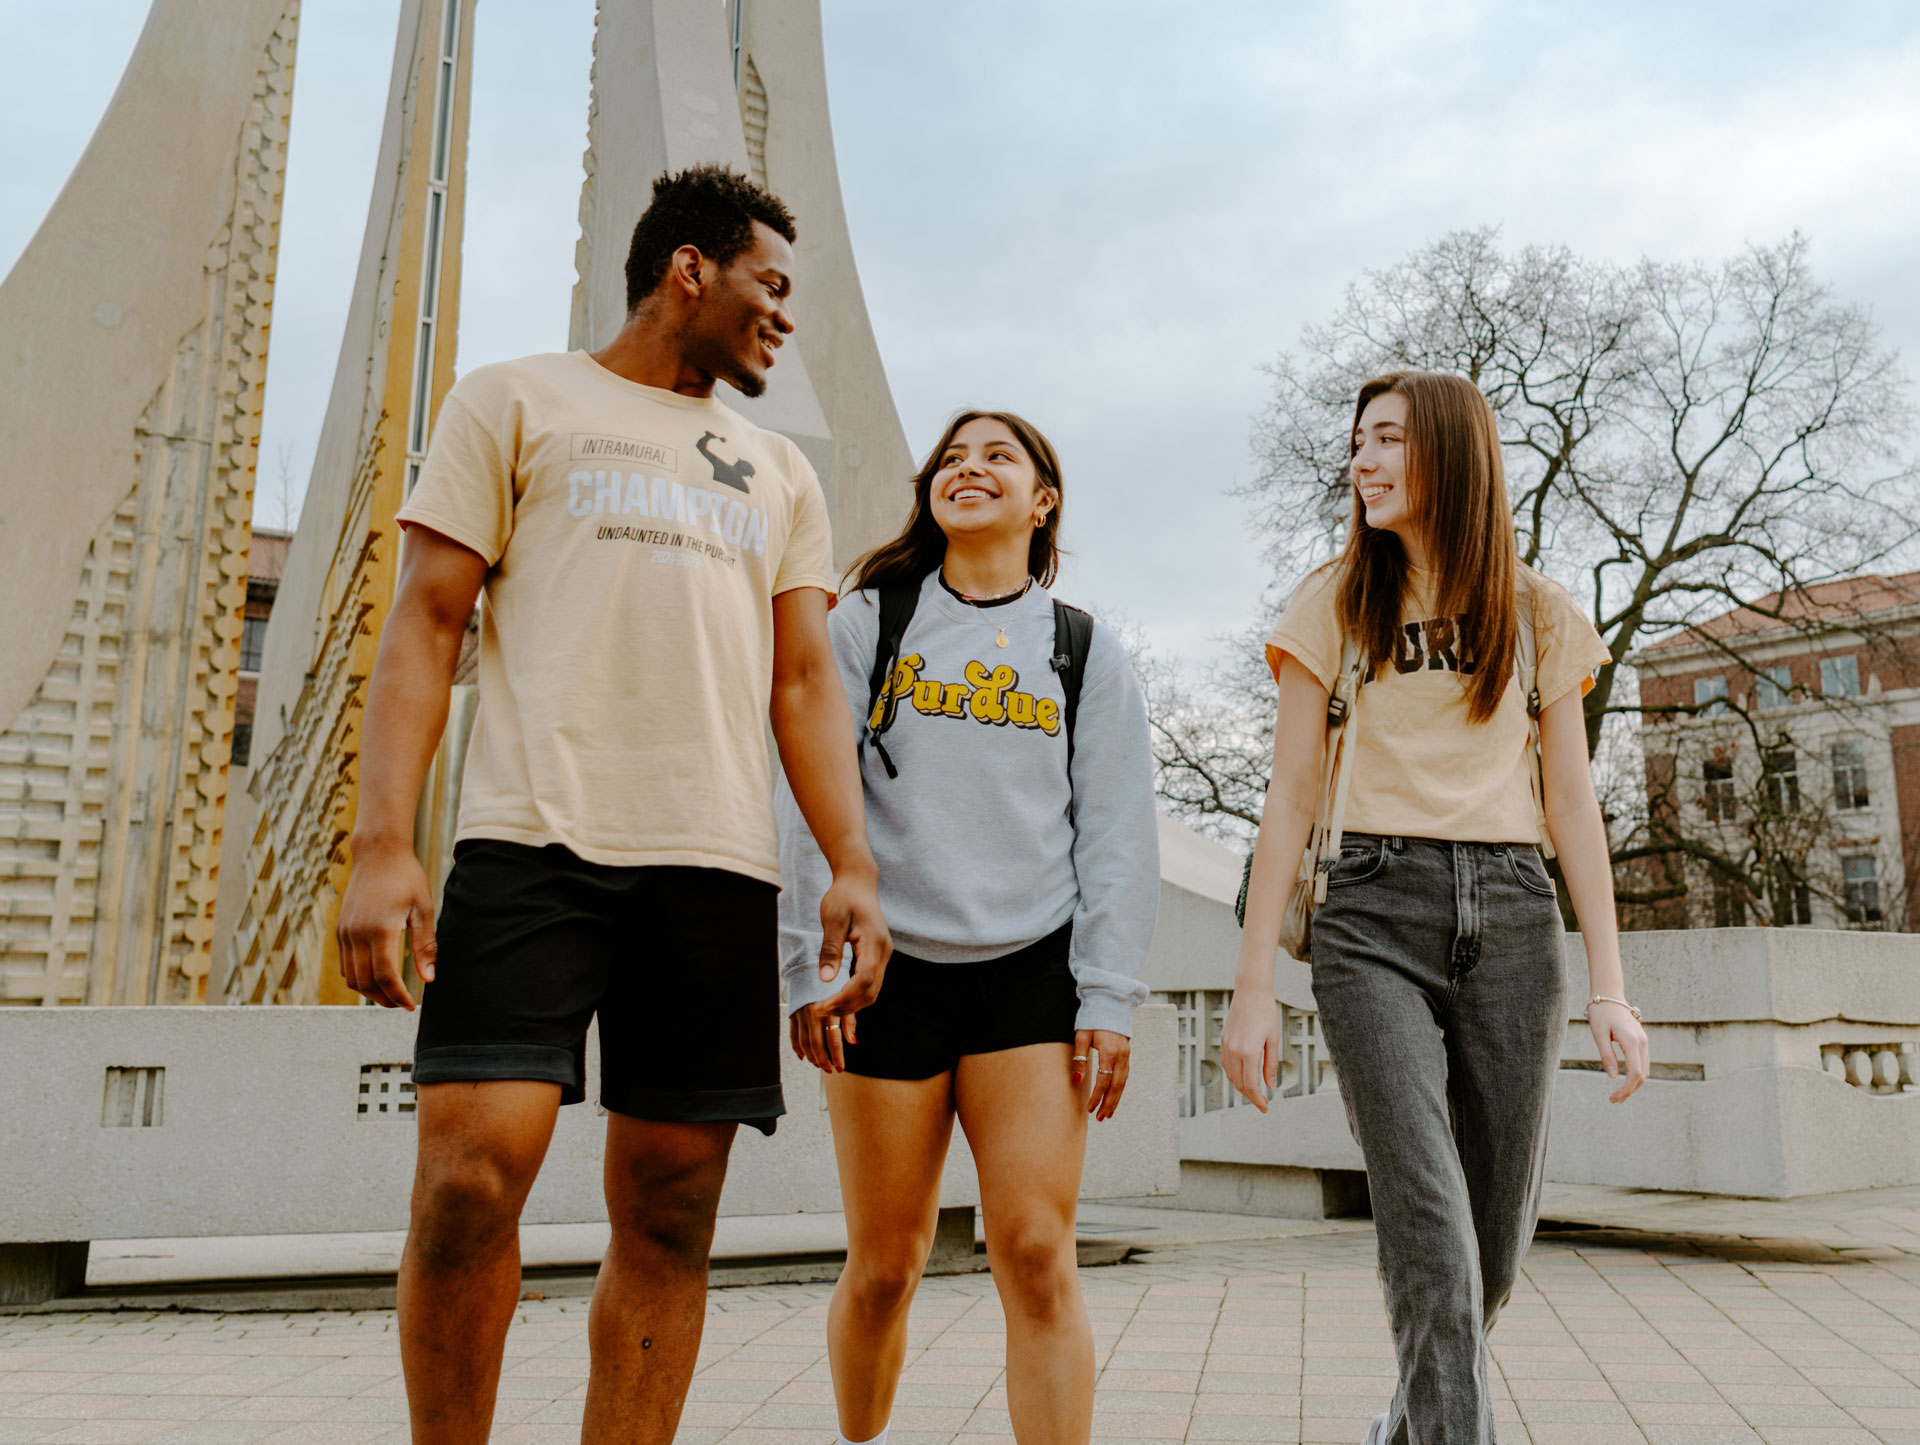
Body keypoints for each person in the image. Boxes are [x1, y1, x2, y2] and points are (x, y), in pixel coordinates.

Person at [333, 164, 892, 1445]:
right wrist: (379, 845)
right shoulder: (515, 400)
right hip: (531, 845)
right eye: (771, 282)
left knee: (674, 1209)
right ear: (690, 266)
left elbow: (802, 679)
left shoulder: (779, 471)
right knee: (468, 1185)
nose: (785, 314)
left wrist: (850, 861)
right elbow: (426, 622)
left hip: (713, 868)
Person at [1220, 370, 1650, 1445]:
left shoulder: (1538, 607)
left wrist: (1612, 987)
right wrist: (1252, 986)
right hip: (1371, 915)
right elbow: (1287, 801)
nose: (1361, 460)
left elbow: (1574, 805)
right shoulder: (1335, 599)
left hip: (1511, 914)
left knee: (1489, 1247)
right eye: (1356, 441)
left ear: (1451, 453)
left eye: (1387, 440)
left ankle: (1407, 1425)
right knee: (1428, 1226)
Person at [777, 411, 1159, 1445]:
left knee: (1036, 1249)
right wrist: (806, 971)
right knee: (887, 1265)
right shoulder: (868, 621)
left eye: (998, 456)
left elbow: (1118, 835)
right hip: (882, 975)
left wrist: (1109, 994)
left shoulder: (1081, 649)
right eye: (952, 456)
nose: (968, 467)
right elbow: (809, 794)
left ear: (1043, 503)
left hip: (1030, 979)